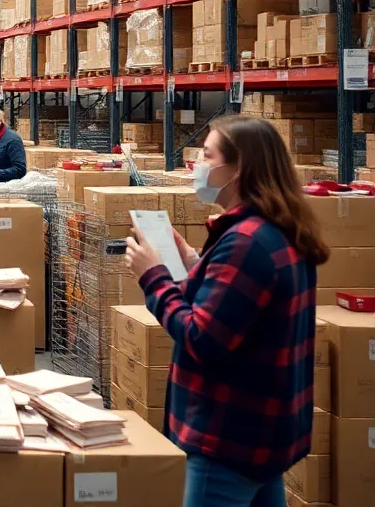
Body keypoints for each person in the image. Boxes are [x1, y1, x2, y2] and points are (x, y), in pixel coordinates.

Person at [124, 116, 328, 507]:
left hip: (226, 439)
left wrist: (152, 277)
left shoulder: (246, 243)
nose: (197, 165)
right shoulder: (277, 229)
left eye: (207, 155)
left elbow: (202, 337)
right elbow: (238, 309)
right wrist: (193, 261)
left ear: (238, 169)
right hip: (263, 434)